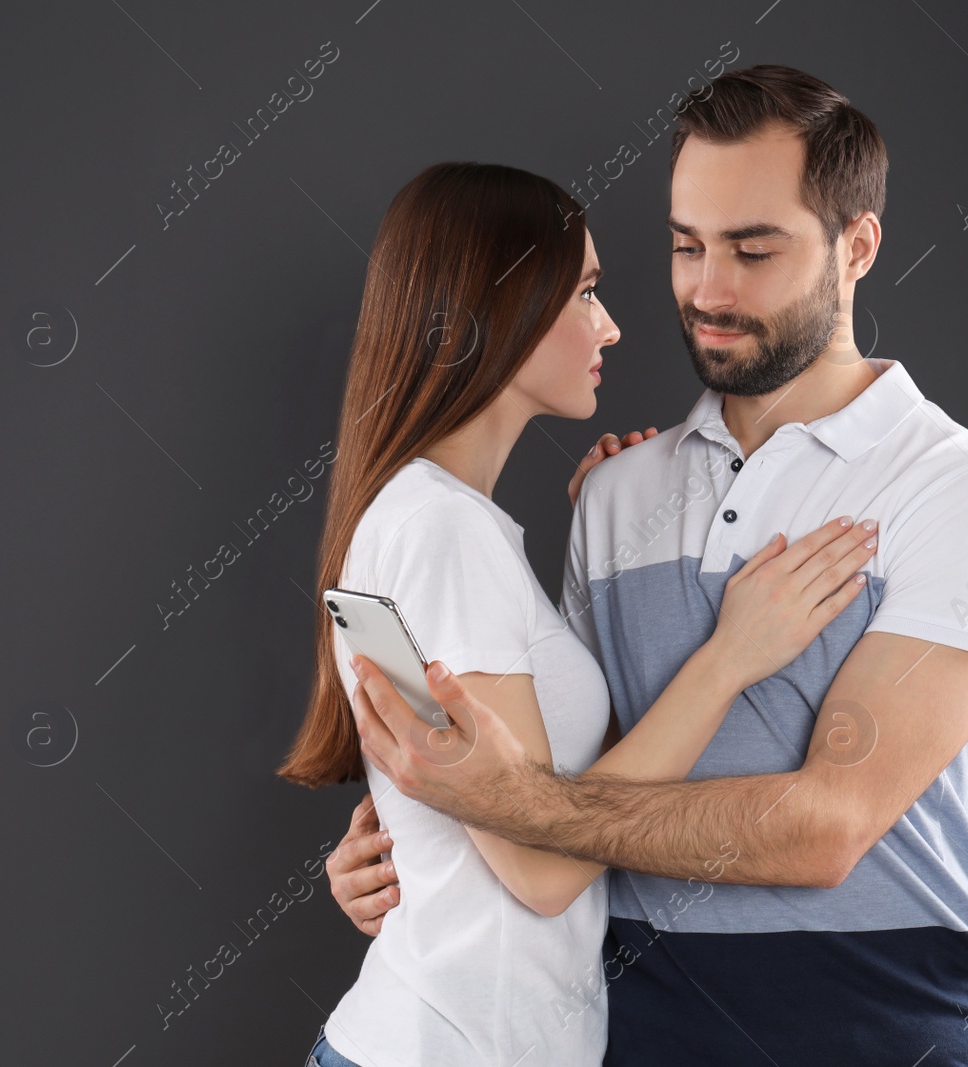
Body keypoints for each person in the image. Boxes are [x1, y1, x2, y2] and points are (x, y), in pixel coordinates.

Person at [327, 66, 968, 1066]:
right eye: (686, 246)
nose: (707, 289)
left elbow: (827, 825)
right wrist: (421, 830)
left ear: (857, 247)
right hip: (634, 1025)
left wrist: (499, 806)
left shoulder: (963, 492)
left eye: (753, 250)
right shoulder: (615, 498)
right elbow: (583, 763)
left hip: (876, 1022)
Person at [276, 159, 882, 1067]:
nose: (612, 323)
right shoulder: (443, 531)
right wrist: (729, 656)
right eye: (586, 290)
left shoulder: (438, 520)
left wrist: (612, 530)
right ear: (500, 307)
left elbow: (493, 800)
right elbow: (544, 865)